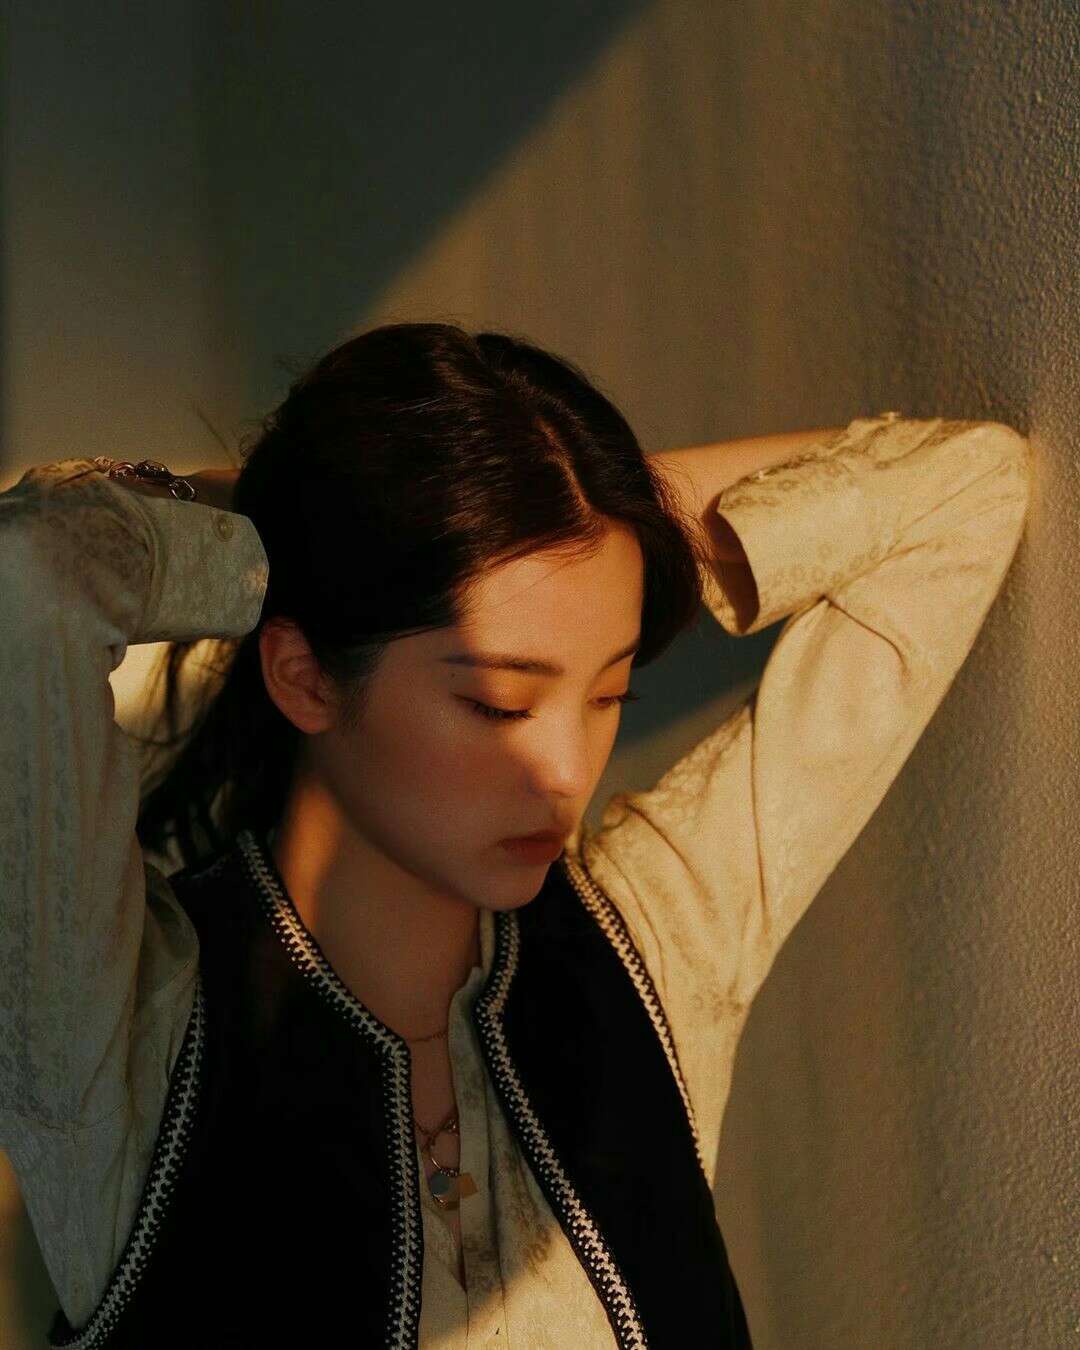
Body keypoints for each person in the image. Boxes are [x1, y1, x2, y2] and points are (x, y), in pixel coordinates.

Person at [0, 322, 1032, 1347]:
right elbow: (32, 576)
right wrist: (296, 528)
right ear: (304, 675)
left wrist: (591, 507)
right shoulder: (120, 1036)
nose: (569, 772)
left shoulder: (655, 941)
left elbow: (967, 488)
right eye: (500, 703)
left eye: (610, 692)